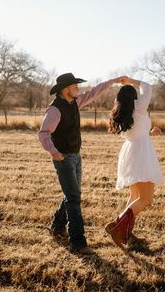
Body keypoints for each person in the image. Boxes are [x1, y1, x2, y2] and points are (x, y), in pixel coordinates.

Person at [38, 72, 125, 255]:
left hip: (76, 155)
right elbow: (43, 133)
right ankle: (77, 242)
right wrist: (54, 153)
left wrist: (114, 81)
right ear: (66, 89)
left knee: (72, 194)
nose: (78, 89)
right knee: (74, 198)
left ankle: (56, 227)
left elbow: (95, 92)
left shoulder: (75, 102)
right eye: (75, 86)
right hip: (63, 158)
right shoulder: (55, 110)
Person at [105, 76, 165, 247]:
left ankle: (123, 231)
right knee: (145, 199)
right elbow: (147, 86)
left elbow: (136, 132)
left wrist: (150, 133)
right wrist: (131, 81)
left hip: (130, 152)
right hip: (141, 154)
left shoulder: (121, 111)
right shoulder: (138, 107)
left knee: (135, 196)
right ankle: (118, 227)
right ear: (134, 97)